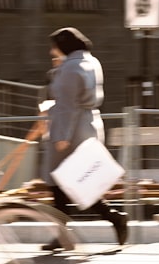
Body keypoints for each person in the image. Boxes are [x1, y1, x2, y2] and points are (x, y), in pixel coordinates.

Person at [36, 27, 128, 250]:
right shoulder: (91, 62)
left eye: (54, 46)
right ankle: (112, 218)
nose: (51, 51)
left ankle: (70, 232)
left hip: (70, 129)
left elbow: (68, 105)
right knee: (78, 180)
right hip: (87, 125)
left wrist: (61, 137)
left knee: (59, 181)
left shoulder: (70, 67)